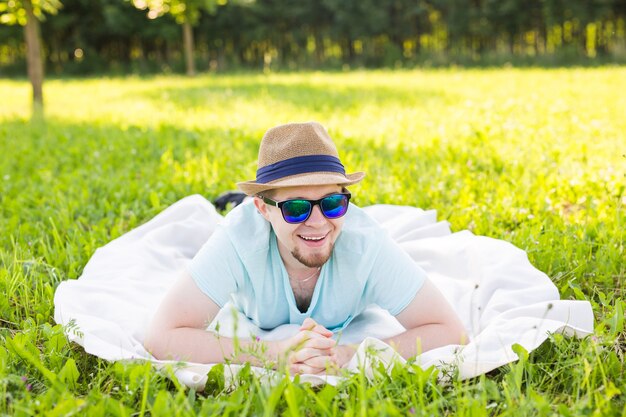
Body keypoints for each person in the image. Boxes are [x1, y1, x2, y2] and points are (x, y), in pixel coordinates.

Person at [143, 121, 466, 375]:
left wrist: (345, 356)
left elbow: (450, 330)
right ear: (263, 208)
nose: (318, 222)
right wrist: (275, 354)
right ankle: (234, 200)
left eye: (333, 203)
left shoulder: (367, 244)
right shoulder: (237, 239)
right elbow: (161, 337)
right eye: (296, 207)